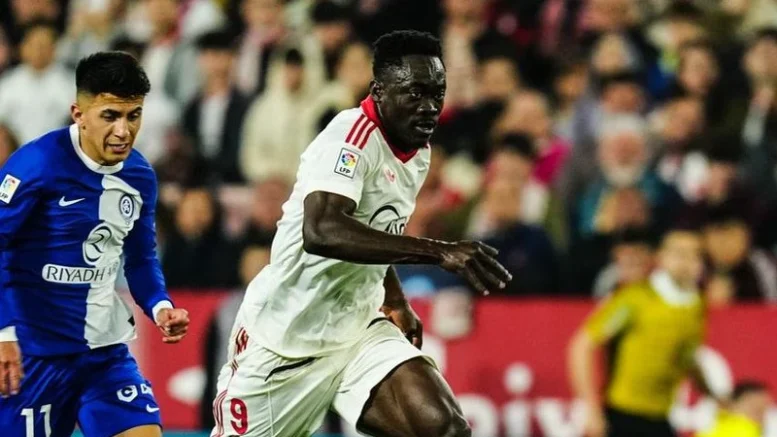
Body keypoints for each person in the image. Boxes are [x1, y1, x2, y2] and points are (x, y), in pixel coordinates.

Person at [211, 30, 511, 437]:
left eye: (437, 93)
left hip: (357, 329)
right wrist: (439, 252)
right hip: (285, 339)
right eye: (415, 93)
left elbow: (375, 231)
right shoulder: (349, 138)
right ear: (379, 91)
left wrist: (395, 298)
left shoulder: (416, 151)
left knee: (445, 429)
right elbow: (322, 230)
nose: (429, 107)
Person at [0, 51, 190, 437]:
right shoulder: (35, 165)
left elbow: (141, 258)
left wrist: (160, 306)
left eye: (133, 115)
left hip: (103, 353)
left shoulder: (139, 175)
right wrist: (3, 335)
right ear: (79, 114)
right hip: (35, 355)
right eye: (110, 116)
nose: (123, 131)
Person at [568, 226, 709, 437]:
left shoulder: (696, 306)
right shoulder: (634, 299)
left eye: (694, 255)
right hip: (623, 415)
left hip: (661, 417)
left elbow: (687, 357)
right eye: (679, 253)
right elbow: (582, 346)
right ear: (661, 257)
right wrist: (591, 408)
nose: (686, 263)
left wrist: (713, 395)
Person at [697, 381, 773, 437]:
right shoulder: (710, 429)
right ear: (731, 404)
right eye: (753, 405)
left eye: (763, 409)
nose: (759, 414)